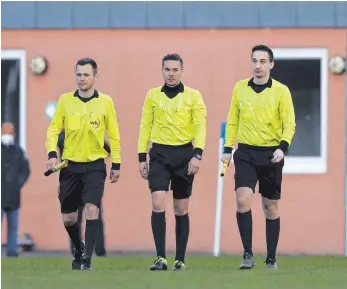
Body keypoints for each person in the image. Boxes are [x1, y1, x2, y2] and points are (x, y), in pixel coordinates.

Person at [221, 45, 296, 270]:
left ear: (271, 64)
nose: (258, 66)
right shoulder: (240, 88)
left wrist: (283, 147)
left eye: (263, 61)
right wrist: (227, 148)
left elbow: (289, 123)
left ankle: (271, 257)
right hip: (245, 152)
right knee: (243, 199)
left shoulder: (282, 91)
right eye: (254, 61)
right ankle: (247, 254)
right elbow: (232, 119)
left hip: (271, 154)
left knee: (270, 206)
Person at [45, 57, 121, 271]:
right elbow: (53, 130)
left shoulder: (106, 102)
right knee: (69, 218)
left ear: (95, 77)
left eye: (86, 74)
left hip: (95, 166)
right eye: (78, 74)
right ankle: (78, 249)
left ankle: (87, 259)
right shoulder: (64, 101)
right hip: (70, 167)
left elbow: (114, 135)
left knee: (91, 209)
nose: (82, 78)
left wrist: (117, 163)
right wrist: (52, 154)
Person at [138, 53, 207, 271]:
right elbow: (145, 126)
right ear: (162, 71)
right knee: (158, 202)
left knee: (180, 208)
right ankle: (160, 257)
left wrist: (198, 154)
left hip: (184, 155)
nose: (171, 73)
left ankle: (180, 259)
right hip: (158, 154)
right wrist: (142, 156)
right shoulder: (152, 96)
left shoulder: (193, 96)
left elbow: (200, 126)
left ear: (182, 71)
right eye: (167, 69)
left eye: (175, 69)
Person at [56, 130, 107, 257]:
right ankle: (77, 249)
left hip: (90, 177)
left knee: (93, 214)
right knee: (72, 218)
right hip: (72, 179)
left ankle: (98, 250)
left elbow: (106, 149)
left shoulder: (89, 131)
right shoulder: (63, 135)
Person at [1, 122, 31, 257]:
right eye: (5, 132)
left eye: (9, 133)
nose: (7, 135)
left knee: (13, 227)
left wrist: (17, 184)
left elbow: (26, 170)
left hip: (13, 195)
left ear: (13, 134)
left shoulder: (18, 151)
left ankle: (12, 252)